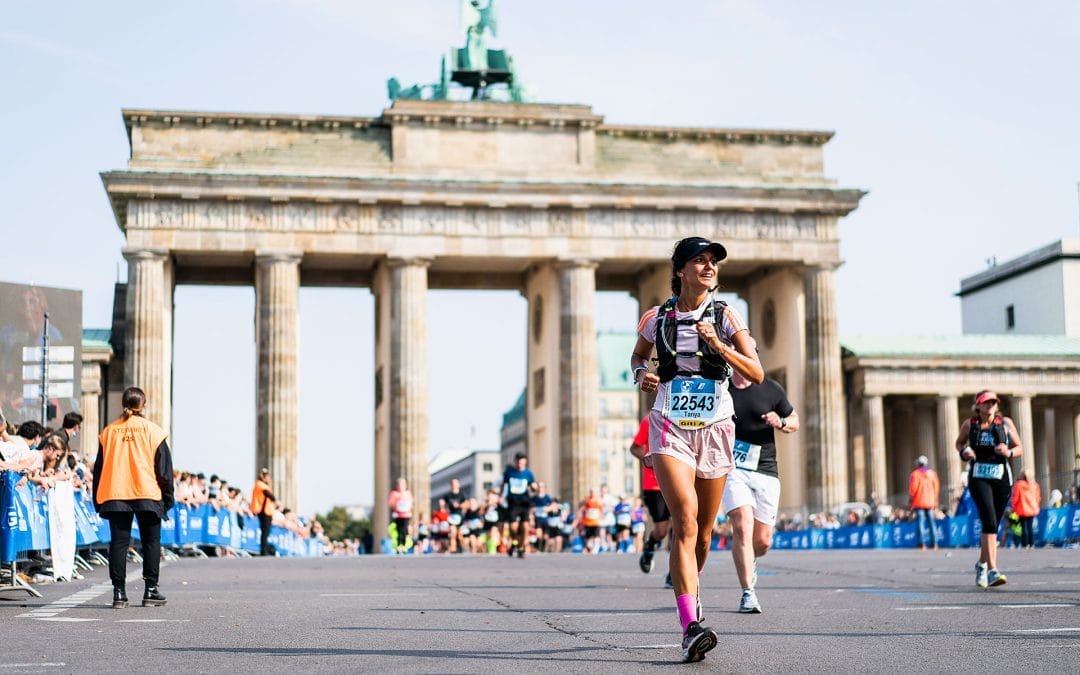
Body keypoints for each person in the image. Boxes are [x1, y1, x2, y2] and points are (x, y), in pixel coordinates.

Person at [631, 236, 764, 662]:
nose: (709, 268)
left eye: (713, 262)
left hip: (715, 427)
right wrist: (641, 375)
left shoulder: (727, 316)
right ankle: (690, 626)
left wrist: (719, 345)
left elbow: (756, 372)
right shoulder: (657, 317)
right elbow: (637, 357)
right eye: (700, 261)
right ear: (680, 270)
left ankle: (691, 590)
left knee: (704, 533)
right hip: (669, 424)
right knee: (684, 520)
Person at [721, 370, 798, 614]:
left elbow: (794, 419)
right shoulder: (722, 389)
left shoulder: (770, 388)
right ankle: (748, 593)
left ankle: (748, 558)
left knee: (762, 542)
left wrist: (781, 422)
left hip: (765, 469)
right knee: (742, 524)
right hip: (733, 468)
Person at [92, 386, 174, 609]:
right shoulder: (153, 431)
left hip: (115, 493)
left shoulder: (108, 432)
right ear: (143, 405)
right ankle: (150, 590)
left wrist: (97, 499)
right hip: (146, 491)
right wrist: (168, 498)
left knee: (118, 543)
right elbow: (164, 470)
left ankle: (119, 593)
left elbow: (98, 469)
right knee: (151, 542)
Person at [954, 390, 1022, 588]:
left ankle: (981, 564)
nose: (990, 405)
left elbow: (1019, 448)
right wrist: (964, 451)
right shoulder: (970, 424)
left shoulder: (1006, 423)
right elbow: (959, 442)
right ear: (978, 405)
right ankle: (993, 570)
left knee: (991, 525)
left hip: (1001, 477)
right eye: (986, 402)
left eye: (993, 402)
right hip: (978, 476)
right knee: (989, 521)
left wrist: (1008, 451)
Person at [630, 415, 672, 581]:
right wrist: (650, 457)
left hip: (678, 480)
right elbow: (634, 447)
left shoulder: (685, 416)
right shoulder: (650, 420)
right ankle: (650, 546)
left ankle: (674, 572)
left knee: (679, 528)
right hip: (654, 485)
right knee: (661, 531)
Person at [500, 451, 537, 558]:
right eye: (519, 463)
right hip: (513, 502)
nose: (521, 466)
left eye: (523, 464)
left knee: (525, 526)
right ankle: (514, 543)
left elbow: (532, 486)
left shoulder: (528, 474)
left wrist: (535, 487)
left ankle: (521, 548)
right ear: (515, 462)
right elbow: (504, 484)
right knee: (513, 527)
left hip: (524, 502)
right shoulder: (509, 472)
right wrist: (501, 496)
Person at [909, 455, 941, 551]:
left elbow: (912, 489)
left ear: (918, 464)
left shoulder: (915, 474)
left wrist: (910, 500)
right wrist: (935, 500)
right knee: (932, 523)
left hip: (919, 502)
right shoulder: (933, 474)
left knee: (921, 524)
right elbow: (936, 488)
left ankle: (922, 544)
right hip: (930, 502)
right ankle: (935, 544)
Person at [1010, 471, 1040, 549]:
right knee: (1030, 527)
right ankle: (1032, 543)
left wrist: (1013, 506)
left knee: (1024, 527)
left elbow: (1015, 497)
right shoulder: (1035, 485)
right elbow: (1037, 497)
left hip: (1022, 508)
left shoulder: (1018, 485)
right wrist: (1036, 505)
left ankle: (1025, 544)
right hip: (1032, 508)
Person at [250, 468, 277, 556]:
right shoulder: (260, 485)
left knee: (265, 531)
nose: (269, 478)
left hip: (266, 511)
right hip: (263, 511)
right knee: (265, 531)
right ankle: (263, 551)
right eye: (268, 476)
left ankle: (264, 549)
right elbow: (271, 496)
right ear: (263, 477)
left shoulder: (262, 485)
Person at [388, 477, 414, 554]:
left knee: (405, 530)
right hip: (398, 515)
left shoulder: (408, 493)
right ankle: (399, 546)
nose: (401, 486)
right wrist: (397, 504)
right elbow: (391, 503)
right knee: (399, 531)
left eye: (402, 484)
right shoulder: (394, 493)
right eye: (399, 485)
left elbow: (411, 503)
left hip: (406, 515)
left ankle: (405, 546)